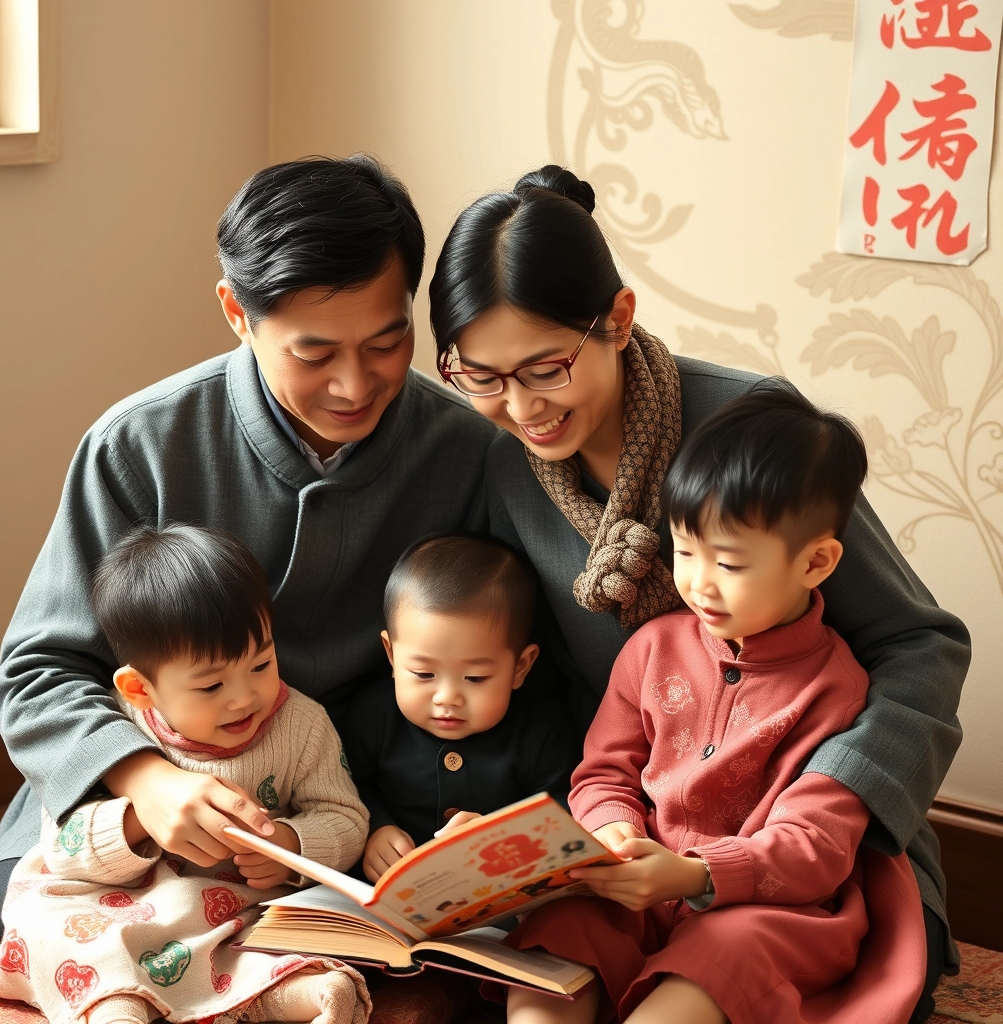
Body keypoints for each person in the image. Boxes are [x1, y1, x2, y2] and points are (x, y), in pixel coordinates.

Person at [428, 165, 970, 1022]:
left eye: (546, 368)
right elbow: (555, 694)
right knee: (543, 966)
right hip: (631, 836)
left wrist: (817, 815)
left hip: (805, 842)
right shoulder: (505, 462)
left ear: (618, 318)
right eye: (481, 376)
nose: (521, 406)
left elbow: (922, 645)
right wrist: (528, 831)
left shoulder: (751, 428)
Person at [0, 154, 499, 961]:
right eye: (314, 353)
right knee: (1, 943)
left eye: (388, 342)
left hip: (347, 820)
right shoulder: (139, 445)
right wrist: (147, 781)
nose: (356, 384)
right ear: (236, 311)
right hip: (124, 816)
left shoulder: (466, 451)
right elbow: (38, 669)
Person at [497, 386, 926, 1023]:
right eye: (685, 550)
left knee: (727, 954)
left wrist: (694, 875)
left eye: (728, 561)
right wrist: (612, 828)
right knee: (560, 931)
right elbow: (603, 772)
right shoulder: (651, 647)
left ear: (816, 562)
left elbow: (813, 848)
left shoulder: (839, 690)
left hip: (764, 908)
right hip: (635, 886)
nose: (697, 581)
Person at [0, 524, 371, 1024]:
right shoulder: (116, 729)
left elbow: (345, 818)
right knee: (67, 934)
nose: (244, 696)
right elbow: (63, 851)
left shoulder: (302, 724)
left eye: (261, 663)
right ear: (140, 688)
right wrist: (137, 820)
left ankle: (275, 997)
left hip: (232, 909)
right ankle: (118, 1007)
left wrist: (293, 845)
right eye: (211, 685)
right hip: (116, 907)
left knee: (284, 948)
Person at [342, 534, 579, 882]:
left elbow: (568, 805)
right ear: (391, 655)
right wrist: (374, 827)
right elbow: (339, 786)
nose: (447, 697)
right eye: (423, 674)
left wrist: (502, 833)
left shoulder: (540, 729)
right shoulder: (373, 716)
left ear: (520, 667)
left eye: (476, 678)